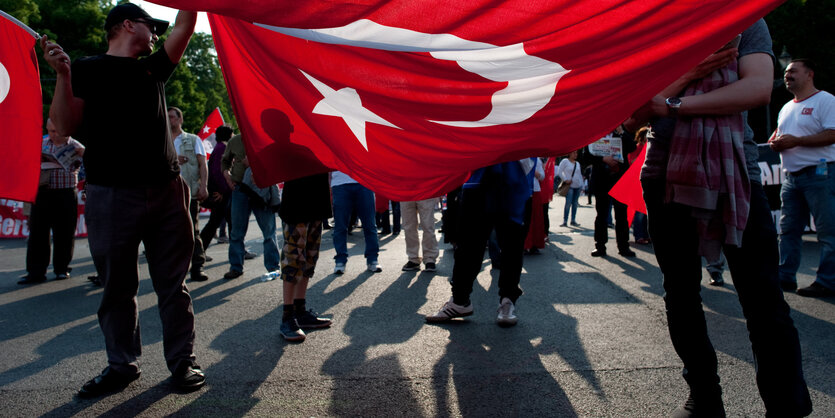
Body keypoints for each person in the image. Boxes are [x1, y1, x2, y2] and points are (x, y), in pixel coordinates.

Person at [631, 19, 812, 417]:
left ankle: (787, 405)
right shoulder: (653, 22)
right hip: (664, 173)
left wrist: (673, 100)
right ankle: (704, 397)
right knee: (680, 293)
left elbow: (757, 88)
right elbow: (634, 109)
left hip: (736, 172)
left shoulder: (745, 19)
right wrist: (692, 73)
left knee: (763, 296)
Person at [41, 3, 206, 397]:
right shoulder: (84, 68)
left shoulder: (153, 68)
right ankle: (122, 365)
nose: (155, 35)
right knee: (117, 287)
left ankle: (183, 363)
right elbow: (61, 127)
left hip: (167, 192)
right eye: (151, 27)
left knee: (173, 285)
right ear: (128, 25)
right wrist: (63, 74)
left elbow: (186, 22)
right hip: (110, 192)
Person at [425, 159, 535, 327]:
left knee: (512, 244)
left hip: (517, 173)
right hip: (479, 175)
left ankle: (507, 301)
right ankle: (460, 300)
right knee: (468, 243)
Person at [768, 59, 835, 298]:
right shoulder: (786, 107)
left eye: (793, 71)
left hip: (820, 173)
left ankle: (828, 281)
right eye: (786, 73)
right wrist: (775, 141)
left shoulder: (826, 100)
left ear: (810, 74)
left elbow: (833, 133)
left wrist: (796, 141)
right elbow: (778, 135)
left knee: (828, 232)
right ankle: (785, 277)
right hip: (792, 178)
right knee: (788, 230)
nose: (787, 75)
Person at [19, 119, 85, 285]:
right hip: (43, 192)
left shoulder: (76, 146)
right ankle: (35, 271)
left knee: (64, 232)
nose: (53, 135)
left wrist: (82, 154)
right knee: (38, 233)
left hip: (66, 192)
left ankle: (62, 269)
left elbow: (84, 168)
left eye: (56, 131)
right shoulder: (41, 143)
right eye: (50, 131)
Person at [278, 173, 334, 341]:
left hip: (317, 196)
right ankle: (287, 316)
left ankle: (300, 311)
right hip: (296, 198)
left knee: (310, 257)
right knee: (293, 258)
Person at [221, 132, 281, 280]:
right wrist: (227, 177)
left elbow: (276, 159)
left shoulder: (264, 137)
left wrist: (255, 161)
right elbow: (225, 161)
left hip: (262, 189)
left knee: (269, 231)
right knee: (236, 233)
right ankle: (236, 267)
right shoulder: (234, 141)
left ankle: (273, 267)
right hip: (240, 189)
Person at [169, 106, 209, 282]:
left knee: (192, 230)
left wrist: (203, 186)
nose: (169, 120)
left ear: (180, 119)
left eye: (172, 117)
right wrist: (173, 159)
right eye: (167, 117)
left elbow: (202, 164)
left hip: (188, 192)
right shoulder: (161, 140)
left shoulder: (192, 140)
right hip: (166, 194)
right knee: (170, 233)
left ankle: (197, 267)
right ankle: (175, 270)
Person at [587, 131, 636, 257]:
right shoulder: (595, 133)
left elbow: (632, 147)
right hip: (601, 179)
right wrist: (603, 159)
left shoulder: (622, 131)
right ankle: (600, 246)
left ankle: (623, 246)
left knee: (621, 214)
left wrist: (621, 132)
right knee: (601, 214)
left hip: (619, 179)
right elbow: (584, 155)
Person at [330, 171, 382, 274]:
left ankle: (372, 259)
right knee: (340, 226)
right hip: (339, 183)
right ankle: (340, 260)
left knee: (370, 225)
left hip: (364, 181)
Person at [199, 125, 233, 249]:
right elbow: (218, 172)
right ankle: (198, 251)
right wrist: (223, 191)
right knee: (221, 224)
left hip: (221, 193)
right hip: (223, 195)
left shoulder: (219, 147)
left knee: (215, 223)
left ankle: (199, 251)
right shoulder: (222, 148)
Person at [400, 198, 440, 272]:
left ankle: (430, 258)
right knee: (409, 227)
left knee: (428, 226)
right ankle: (413, 258)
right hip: (406, 192)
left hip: (425, 191)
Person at [523, 158, 546, 254]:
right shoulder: (522, 158)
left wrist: (537, 174)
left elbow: (543, 176)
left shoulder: (537, 160)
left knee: (536, 219)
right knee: (525, 220)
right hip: (523, 190)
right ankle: (525, 245)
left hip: (535, 191)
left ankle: (534, 245)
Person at [558, 150, 583, 228]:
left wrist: (581, 185)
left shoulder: (577, 163)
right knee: (568, 203)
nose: (576, 154)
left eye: (576, 153)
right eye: (574, 153)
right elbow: (559, 171)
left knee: (575, 204)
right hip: (570, 186)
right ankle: (565, 220)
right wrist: (565, 179)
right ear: (569, 153)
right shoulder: (565, 161)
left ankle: (573, 220)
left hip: (577, 186)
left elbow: (579, 175)